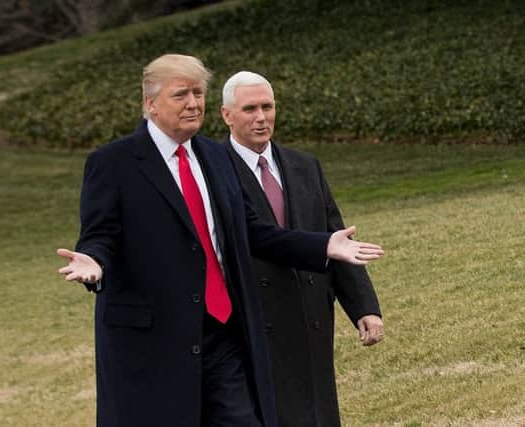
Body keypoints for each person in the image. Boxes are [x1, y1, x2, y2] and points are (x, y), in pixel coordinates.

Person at [57, 54, 384, 427]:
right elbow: (101, 234)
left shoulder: (214, 156)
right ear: (150, 104)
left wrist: (322, 245)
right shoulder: (114, 162)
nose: (194, 103)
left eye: (198, 93)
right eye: (181, 95)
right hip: (154, 342)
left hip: (221, 332)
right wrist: (95, 263)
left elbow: (254, 231)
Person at [220, 71, 384, 427]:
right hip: (252, 322)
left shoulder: (305, 166)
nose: (261, 117)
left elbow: (335, 237)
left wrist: (363, 307)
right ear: (226, 115)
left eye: (268, 106)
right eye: (250, 109)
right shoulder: (215, 172)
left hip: (309, 315)